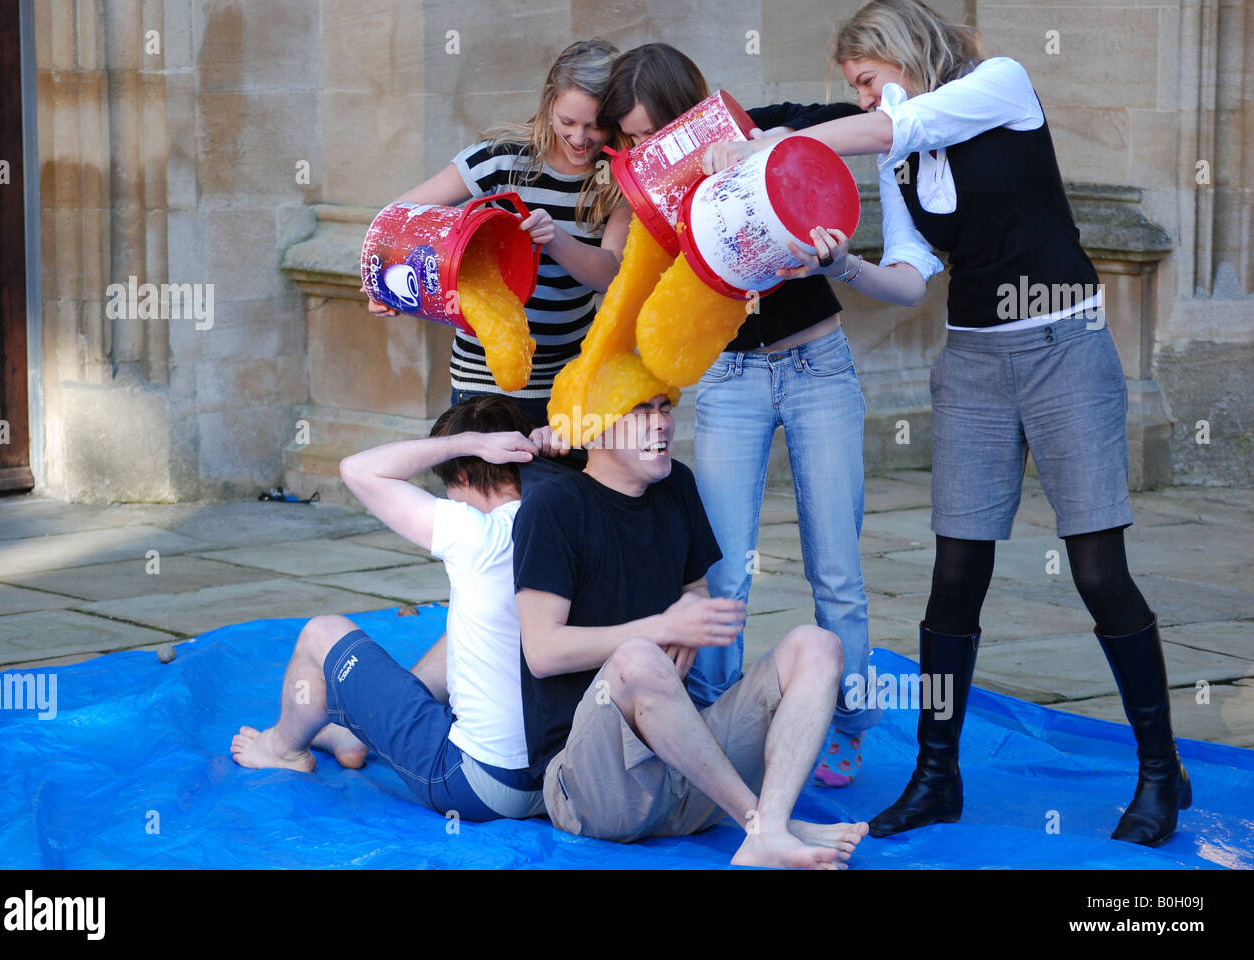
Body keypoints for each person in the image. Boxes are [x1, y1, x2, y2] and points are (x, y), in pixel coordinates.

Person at [704, 0, 1190, 847]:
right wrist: (843, 263)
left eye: (865, 80)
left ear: (902, 53)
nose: (861, 101)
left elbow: (901, 123)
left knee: (1097, 568)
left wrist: (772, 143)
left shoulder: (998, 86)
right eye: (852, 89)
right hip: (970, 359)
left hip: (1064, 344)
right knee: (955, 571)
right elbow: (909, 275)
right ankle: (938, 775)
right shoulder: (898, 158)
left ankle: (1160, 772)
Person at [596, 43, 879, 788]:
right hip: (729, 376)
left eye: (647, 132)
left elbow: (859, 122)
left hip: (817, 364)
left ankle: (846, 723)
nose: (640, 150)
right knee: (722, 567)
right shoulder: (647, 190)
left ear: (682, 111)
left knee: (837, 566)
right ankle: (711, 715)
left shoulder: (759, 127)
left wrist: (758, 147)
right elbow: (619, 269)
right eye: (627, 140)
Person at [514, 393, 869, 869]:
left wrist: (690, 611)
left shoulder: (676, 484)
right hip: (594, 791)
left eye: (665, 408)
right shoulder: (553, 506)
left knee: (818, 646)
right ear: (592, 428)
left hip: (684, 775)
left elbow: (696, 588)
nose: (661, 424)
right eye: (641, 411)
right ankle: (761, 826)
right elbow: (542, 649)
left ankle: (772, 824)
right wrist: (663, 626)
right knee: (639, 657)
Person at [229, 396, 548, 823]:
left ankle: (282, 748)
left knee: (320, 634)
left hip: (474, 784)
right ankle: (354, 732)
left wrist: (465, 441)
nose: (450, 499)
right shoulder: (561, 519)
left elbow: (356, 469)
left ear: (466, 474)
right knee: (475, 627)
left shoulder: (478, 535)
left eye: (449, 487)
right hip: (550, 781)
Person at [363, 39, 631, 426]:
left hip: (569, 381)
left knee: (555, 488)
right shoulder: (502, 158)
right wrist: (386, 285)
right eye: (567, 122)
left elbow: (610, 273)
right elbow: (400, 217)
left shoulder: (618, 179)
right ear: (548, 105)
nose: (578, 138)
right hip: (480, 381)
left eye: (595, 125)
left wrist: (554, 237)